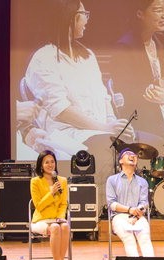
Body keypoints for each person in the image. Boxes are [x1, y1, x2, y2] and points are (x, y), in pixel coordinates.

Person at [18, 0, 134, 159]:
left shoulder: (88, 56)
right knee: (112, 153)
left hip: (101, 133)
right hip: (69, 137)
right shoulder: (43, 58)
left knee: (150, 144)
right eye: (83, 14)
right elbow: (61, 110)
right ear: (68, 17)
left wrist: (117, 126)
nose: (87, 19)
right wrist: (106, 128)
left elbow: (104, 97)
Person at [110, 0, 164, 135]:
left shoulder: (162, 43)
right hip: (145, 120)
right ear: (140, 13)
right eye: (158, 10)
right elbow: (129, 96)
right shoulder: (125, 48)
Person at [106, 148, 154, 257]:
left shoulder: (142, 182)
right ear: (120, 161)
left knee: (145, 238)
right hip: (119, 217)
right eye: (128, 154)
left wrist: (136, 215)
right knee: (129, 239)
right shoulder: (112, 180)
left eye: (134, 155)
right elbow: (111, 204)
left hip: (138, 216)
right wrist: (129, 210)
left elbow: (144, 203)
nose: (132, 156)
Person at [30, 150, 70, 260]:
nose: (50, 164)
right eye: (46, 162)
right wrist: (51, 192)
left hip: (56, 219)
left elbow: (64, 203)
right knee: (55, 228)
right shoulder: (35, 181)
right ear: (41, 165)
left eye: (52, 161)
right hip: (40, 220)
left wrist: (60, 217)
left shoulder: (62, 181)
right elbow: (38, 206)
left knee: (64, 226)